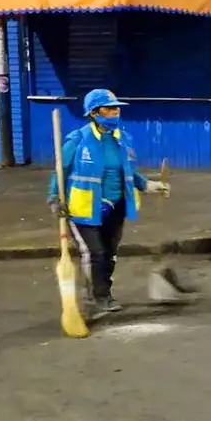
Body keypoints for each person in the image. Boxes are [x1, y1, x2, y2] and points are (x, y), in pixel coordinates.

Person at [47, 89, 171, 314]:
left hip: (117, 206)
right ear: (94, 113)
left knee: (109, 253)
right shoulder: (77, 140)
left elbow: (130, 172)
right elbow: (60, 170)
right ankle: (99, 296)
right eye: (110, 108)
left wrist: (149, 185)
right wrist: (54, 197)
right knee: (95, 253)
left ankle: (100, 290)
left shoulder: (123, 139)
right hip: (84, 208)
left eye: (117, 108)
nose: (116, 112)